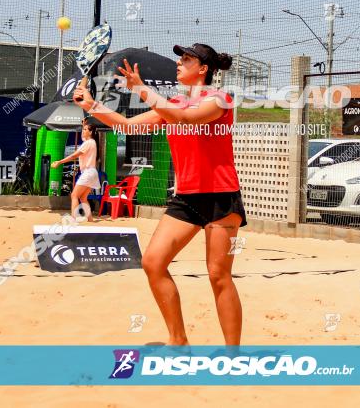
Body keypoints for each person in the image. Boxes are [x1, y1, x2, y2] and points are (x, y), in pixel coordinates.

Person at [73, 42, 245, 346]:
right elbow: (127, 125)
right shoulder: (174, 103)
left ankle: (233, 354)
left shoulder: (220, 99)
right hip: (187, 197)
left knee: (218, 275)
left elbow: (187, 119)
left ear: (203, 69)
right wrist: (91, 105)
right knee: (153, 262)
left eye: (187, 59)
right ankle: (178, 340)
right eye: (179, 58)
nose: (179, 62)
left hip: (220, 196)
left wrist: (141, 89)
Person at [51, 122, 100, 221]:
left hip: (88, 173)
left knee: (74, 195)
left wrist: (60, 162)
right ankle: (90, 219)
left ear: (90, 132)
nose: (83, 131)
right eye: (83, 129)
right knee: (83, 198)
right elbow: (83, 136)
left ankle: (73, 219)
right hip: (92, 173)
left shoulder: (88, 143)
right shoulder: (91, 142)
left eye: (85, 129)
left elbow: (74, 156)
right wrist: (83, 125)